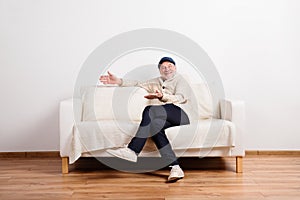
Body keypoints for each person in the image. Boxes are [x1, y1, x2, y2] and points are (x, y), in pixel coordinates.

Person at [99, 57, 192, 182]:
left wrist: (162, 96)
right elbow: (137, 84)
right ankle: (175, 167)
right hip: (167, 115)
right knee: (155, 126)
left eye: (170, 66)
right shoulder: (156, 82)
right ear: (160, 70)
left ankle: (132, 150)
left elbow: (180, 97)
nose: (167, 69)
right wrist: (119, 81)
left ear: (175, 68)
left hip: (182, 113)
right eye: (163, 67)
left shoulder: (181, 80)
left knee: (150, 110)